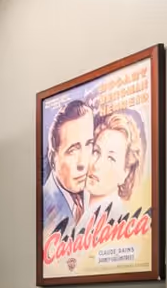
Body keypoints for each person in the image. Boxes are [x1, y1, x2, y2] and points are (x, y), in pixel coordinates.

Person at [41, 98, 95, 236]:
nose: (83, 163)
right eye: (72, 150)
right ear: (53, 158)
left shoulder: (99, 191)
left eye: (89, 144)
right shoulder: (44, 208)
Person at [83, 108, 147, 224]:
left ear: (125, 172)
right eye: (96, 151)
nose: (96, 165)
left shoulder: (116, 221)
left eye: (111, 158)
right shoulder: (82, 213)